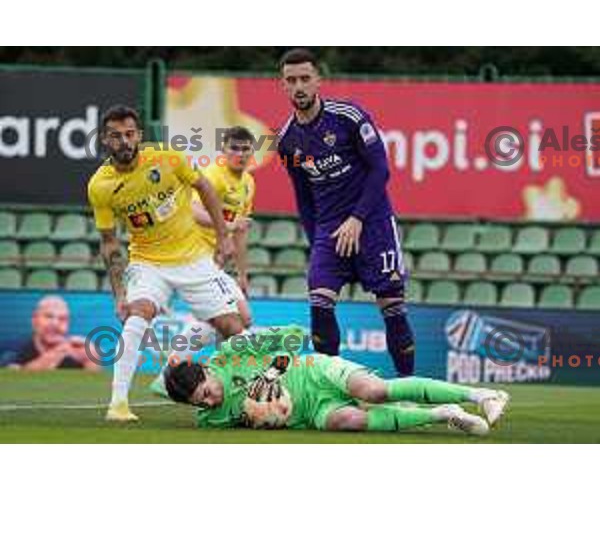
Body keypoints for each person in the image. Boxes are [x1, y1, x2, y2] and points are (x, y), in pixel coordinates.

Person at [87, 105, 245, 422]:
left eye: (129, 134)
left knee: (233, 327)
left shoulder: (168, 158)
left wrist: (223, 235)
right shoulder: (100, 186)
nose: (124, 141)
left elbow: (204, 188)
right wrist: (120, 293)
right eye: (116, 136)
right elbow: (109, 243)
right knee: (138, 313)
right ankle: (118, 404)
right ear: (105, 140)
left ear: (139, 136)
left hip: (194, 259)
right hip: (147, 262)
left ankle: (245, 395)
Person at [276, 48, 416, 377]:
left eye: (305, 79)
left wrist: (358, 218)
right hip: (328, 230)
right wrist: (316, 243)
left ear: (318, 81)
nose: (299, 86)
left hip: (374, 223)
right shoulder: (286, 142)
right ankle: (334, 387)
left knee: (392, 307)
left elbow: (380, 171)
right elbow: (303, 196)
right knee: (320, 304)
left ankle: (408, 389)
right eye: (291, 80)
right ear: (282, 85)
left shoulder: (349, 117)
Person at [163, 325, 510, 435]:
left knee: (374, 391)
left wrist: (274, 372)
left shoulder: (233, 351)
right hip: (311, 412)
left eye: (206, 392)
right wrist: (172, 372)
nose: (208, 402)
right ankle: (443, 413)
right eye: (200, 402)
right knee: (348, 419)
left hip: (315, 371)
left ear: (207, 370)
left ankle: (483, 395)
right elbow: (168, 388)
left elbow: (296, 335)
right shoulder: (210, 418)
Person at [191, 126, 256, 327]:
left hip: (217, 262)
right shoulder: (212, 175)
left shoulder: (248, 182)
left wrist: (242, 274)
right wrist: (229, 225)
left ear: (252, 151)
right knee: (239, 317)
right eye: (234, 148)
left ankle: (177, 357)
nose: (240, 154)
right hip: (195, 257)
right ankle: (176, 357)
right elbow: (193, 211)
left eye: (245, 149)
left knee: (235, 319)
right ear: (223, 150)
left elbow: (240, 233)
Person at [2, 296, 97, 370]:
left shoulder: (77, 352)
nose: (55, 324)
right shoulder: (12, 350)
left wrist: (92, 360)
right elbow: (13, 383)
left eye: (62, 319)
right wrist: (57, 354)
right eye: (48, 317)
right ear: (34, 320)